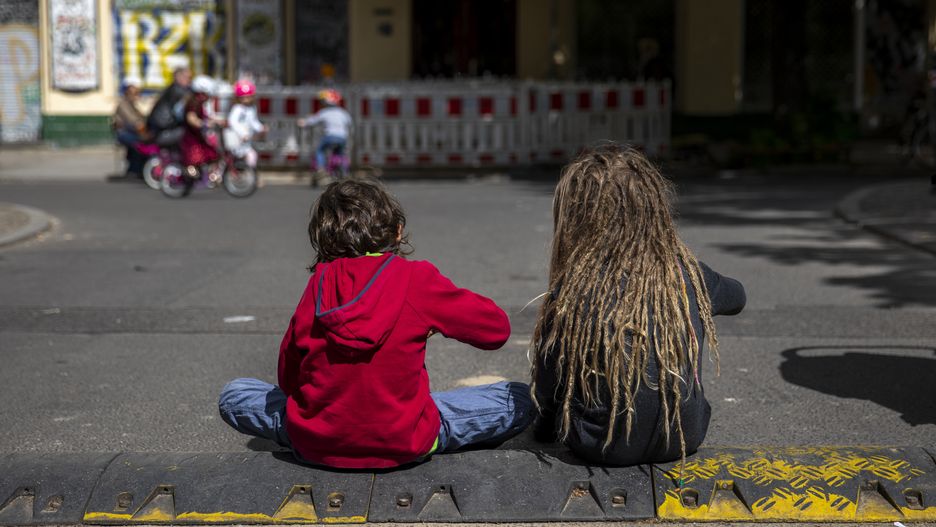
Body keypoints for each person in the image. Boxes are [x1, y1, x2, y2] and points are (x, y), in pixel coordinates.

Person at [218, 178, 533, 469]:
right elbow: (496, 330)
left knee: (235, 394)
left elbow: (288, 379)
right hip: (406, 441)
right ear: (397, 231)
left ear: (324, 238)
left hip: (317, 443)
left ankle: (321, 435)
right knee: (519, 398)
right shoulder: (416, 279)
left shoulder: (319, 285)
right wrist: (433, 322)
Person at [529, 143, 746, 466]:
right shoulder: (686, 273)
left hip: (599, 444)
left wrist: (545, 425)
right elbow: (738, 297)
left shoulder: (573, 288)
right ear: (655, 211)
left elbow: (550, 382)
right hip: (686, 436)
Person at [297, 89, 352, 182]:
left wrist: (303, 122)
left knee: (320, 150)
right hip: (342, 138)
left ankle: (320, 168)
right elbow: (349, 123)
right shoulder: (343, 112)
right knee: (340, 153)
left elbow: (311, 121)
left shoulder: (324, 112)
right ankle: (344, 170)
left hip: (329, 136)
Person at [179, 75, 221, 180]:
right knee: (196, 156)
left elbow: (206, 117)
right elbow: (191, 118)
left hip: (198, 134)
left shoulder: (199, 103)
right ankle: (188, 172)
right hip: (190, 136)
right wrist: (203, 124)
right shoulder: (192, 103)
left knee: (212, 152)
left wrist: (218, 121)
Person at [223, 79, 266, 169]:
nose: (246, 100)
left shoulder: (252, 108)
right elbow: (233, 122)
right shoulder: (237, 109)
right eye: (243, 97)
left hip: (246, 140)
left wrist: (261, 128)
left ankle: (249, 174)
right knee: (243, 156)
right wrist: (242, 133)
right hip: (237, 139)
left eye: (248, 97)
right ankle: (247, 174)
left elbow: (253, 121)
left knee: (251, 155)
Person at [112, 76, 148, 178]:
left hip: (133, 132)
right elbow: (133, 121)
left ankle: (136, 168)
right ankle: (135, 169)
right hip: (124, 133)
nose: (137, 94)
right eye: (135, 91)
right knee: (139, 144)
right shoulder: (123, 104)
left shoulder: (133, 104)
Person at [146, 67, 192, 146]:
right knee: (190, 133)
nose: (189, 81)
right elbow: (189, 99)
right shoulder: (176, 90)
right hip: (162, 132)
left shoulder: (172, 89)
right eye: (187, 77)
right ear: (178, 77)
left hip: (163, 129)